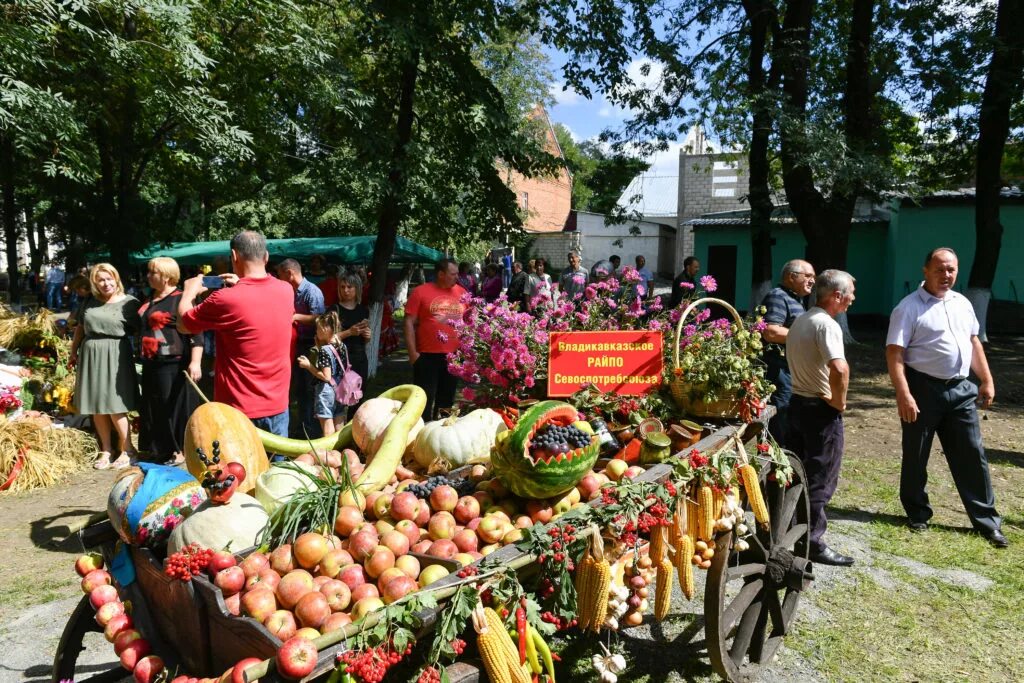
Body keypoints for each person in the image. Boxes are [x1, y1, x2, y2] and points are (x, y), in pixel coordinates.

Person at [885, 247, 1007, 548]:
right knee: (917, 453)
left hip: (961, 389)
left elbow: (973, 342)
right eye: (939, 269)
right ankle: (917, 512)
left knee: (972, 454)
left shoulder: (963, 303)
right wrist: (904, 393)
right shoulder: (908, 307)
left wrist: (987, 380)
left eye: (951, 269)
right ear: (926, 271)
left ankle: (987, 522)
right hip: (922, 388)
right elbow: (894, 353)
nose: (946, 275)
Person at [178, 231, 295, 439]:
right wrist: (240, 283)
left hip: (239, 410)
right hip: (278, 406)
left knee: (239, 470)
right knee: (277, 470)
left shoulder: (224, 299)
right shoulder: (286, 290)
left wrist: (189, 292)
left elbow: (184, 325)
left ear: (234, 256)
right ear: (266, 257)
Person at [786, 269, 856, 566]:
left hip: (797, 404)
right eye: (851, 292)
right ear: (837, 296)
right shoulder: (827, 325)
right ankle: (812, 542)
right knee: (820, 478)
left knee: (798, 475)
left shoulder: (802, 319)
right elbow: (839, 369)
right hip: (820, 411)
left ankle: (790, 531)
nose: (853, 298)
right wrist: (839, 402)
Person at [70, 263, 141, 470]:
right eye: (101, 280)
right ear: (94, 282)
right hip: (91, 353)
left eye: (109, 278)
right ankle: (107, 449)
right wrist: (73, 352)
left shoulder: (130, 303)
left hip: (117, 353)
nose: (105, 283)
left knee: (115, 404)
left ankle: (128, 449)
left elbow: (141, 331)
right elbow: (81, 329)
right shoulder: (89, 302)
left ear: (116, 279)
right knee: (96, 404)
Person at [138, 257, 202, 466]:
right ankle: (160, 449)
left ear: (165, 276)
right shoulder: (150, 299)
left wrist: (196, 362)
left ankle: (179, 449)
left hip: (172, 361)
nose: (148, 276)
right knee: (153, 406)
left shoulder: (180, 299)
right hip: (150, 361)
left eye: (152, 272)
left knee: (171, 407)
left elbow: (196, 332)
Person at [759, 259, 816, 447]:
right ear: (791, 277)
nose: (812, 281)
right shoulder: (778, 296)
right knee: (780, 420)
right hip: (778, 374)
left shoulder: (796, 300)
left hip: (790, 372)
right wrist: (808, 336)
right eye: (808, 276)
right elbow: (771, 331)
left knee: (790, 420)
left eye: (813, 277)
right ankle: (775, 463)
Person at [405, 259, 467, 421]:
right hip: (426, 356)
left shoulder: (462, 293)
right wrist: (412, 353)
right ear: (441, 274)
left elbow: (470, 323)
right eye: (453, 274)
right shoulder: (420, 292)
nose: (457, 277)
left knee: (446, 401)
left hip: (453, 357)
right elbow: (409, 322)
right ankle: (419, 435)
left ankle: (440, 432)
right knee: (423, 400)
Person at [277, 258, 326, 437]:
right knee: (299, 388)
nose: (279, 278)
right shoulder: (292, 291)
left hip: (310, 345)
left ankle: (312, 430)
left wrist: (295, 317)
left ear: (289, 273)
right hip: (296, 344)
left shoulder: (312, 291)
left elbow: (319, 317)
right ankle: (302, 426)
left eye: (280, 275)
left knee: (309, 388)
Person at [330, 270, 371, 419]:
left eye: (349, 287)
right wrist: (348, 332)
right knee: (339, 401)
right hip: (339, 361)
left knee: (358, 398)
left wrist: (367, 336)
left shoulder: (363, 310)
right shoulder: (334, 310)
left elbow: (364, 339)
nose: (345, 290)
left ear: (357, 289)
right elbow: (328, 339)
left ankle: (354, 431)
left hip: (359, 359)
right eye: (342, 287)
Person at [298, 311, 347, 435]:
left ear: (325, 330)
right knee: (339, 426)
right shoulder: (342, 346)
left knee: (327, 429)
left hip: (326, 392)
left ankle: (328, 454)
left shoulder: (324, 351)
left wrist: (308, 366)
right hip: (340, 389)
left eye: (318, 329)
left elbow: (326, 376)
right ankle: (341, 452)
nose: (316, 332)